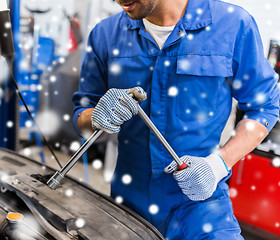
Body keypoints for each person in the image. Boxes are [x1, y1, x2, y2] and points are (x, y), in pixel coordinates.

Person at [72, 0, 280, 239]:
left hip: (201, 207)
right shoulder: (105, 34)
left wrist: (218, 164)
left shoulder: (233, 25)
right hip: (129, 204)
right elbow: (82, 113)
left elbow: (264, 106)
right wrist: (95, 117)